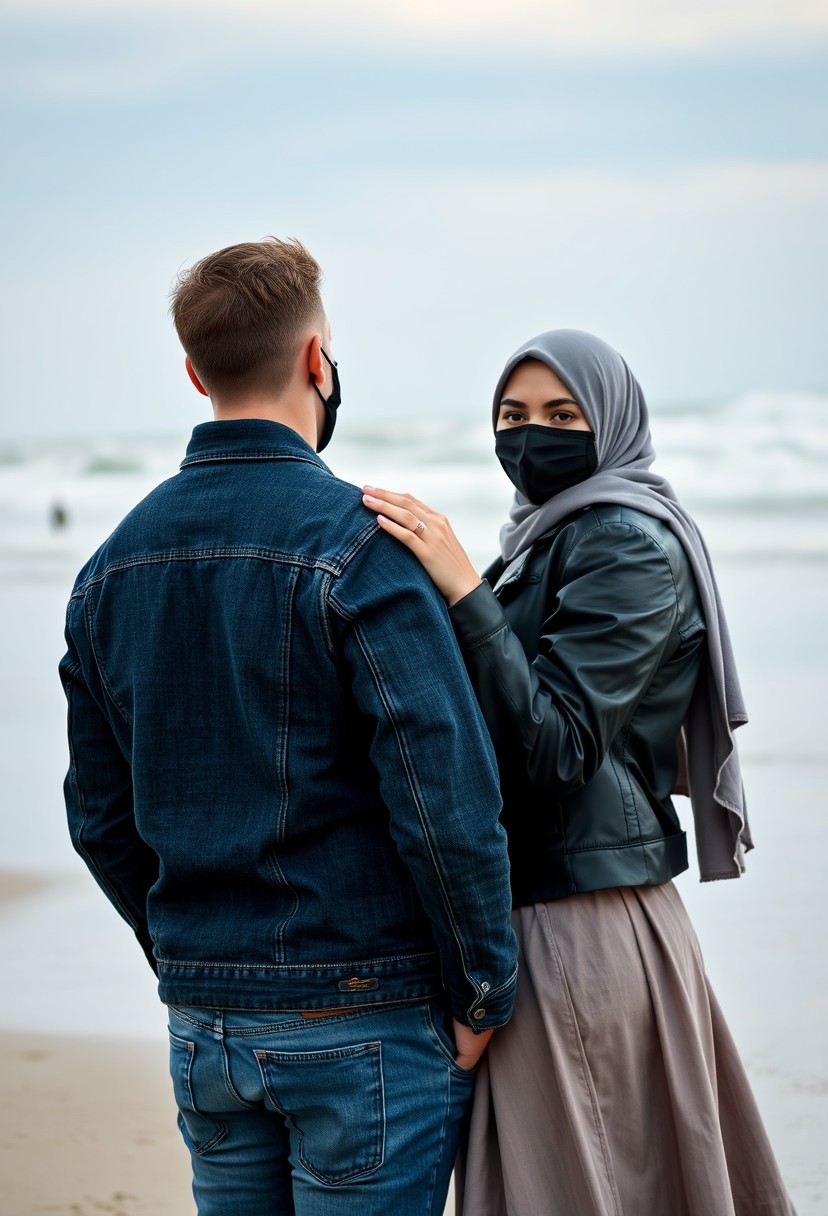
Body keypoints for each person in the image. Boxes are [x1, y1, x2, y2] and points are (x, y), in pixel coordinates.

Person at [58, 238, 517, 1216]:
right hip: (362, 1006)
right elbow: (443, 796)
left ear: (193, 372)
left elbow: (97, 818)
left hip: (205, 1022)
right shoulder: (363, 548)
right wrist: (482, 985)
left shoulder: (108, 571)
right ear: (317, 359)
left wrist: (191, 956)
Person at [362, 329, 796, 1216]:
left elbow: (557, 749)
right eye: (511, 415)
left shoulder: (626, 544)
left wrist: (461, 593)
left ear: (614, 422)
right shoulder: (543, 543)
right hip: (536, 914)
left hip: (581, 925)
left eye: (563, 415)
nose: (532, 435)